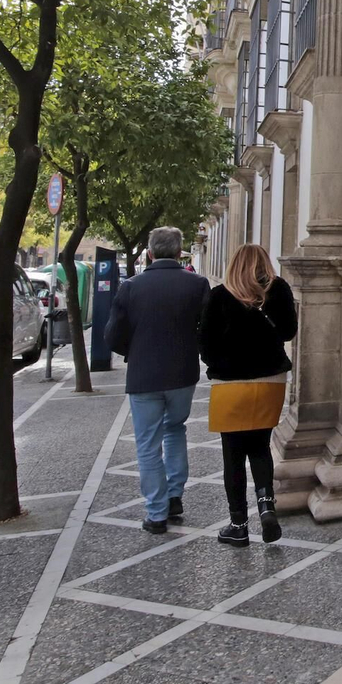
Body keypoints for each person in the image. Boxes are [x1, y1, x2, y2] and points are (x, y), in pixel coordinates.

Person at [105, 227, 210, 533]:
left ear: (149, 253)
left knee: (147, 444)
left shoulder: (131, 287)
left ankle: (157, 512)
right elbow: (206, 329)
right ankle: (175, 496)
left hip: (144, 375)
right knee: (175, 429)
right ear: (180, 253)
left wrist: (134, 352)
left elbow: (113, 335)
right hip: (182, 374)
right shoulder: (198, 284)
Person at [198, 244, 297, 546]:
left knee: (233, 455)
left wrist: (222, 363)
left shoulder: (218, 295)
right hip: (270, 383)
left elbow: (205, 345)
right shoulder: (278, 290)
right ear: (264, 263)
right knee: (260, 447)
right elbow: (289, 331)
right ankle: (266, 506)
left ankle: (238, 523)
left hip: (230, 387)